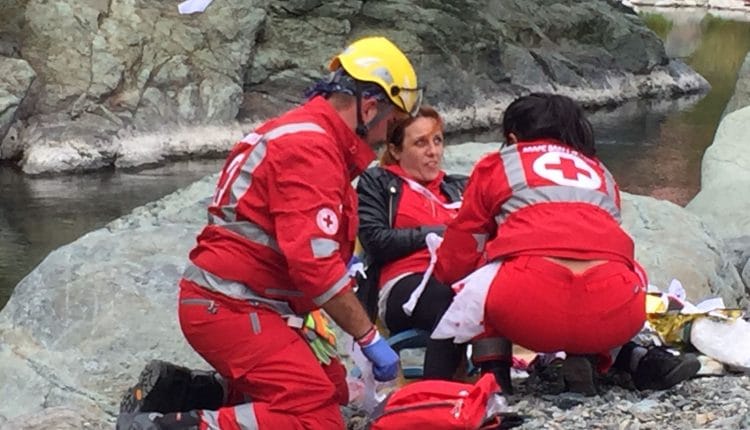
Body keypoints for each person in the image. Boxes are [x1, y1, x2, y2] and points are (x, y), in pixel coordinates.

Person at [117, 36, 423, 430]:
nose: (386, 139)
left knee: (335, 392)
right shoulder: (312, 150)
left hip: (247, 302)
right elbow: (315, 268)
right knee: (318, 418)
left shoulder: (308, 136)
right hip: (234, 305)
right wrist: (367, 336)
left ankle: (194, 392)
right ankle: (172, 426)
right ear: (369, 106)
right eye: (392, 124)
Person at [431, 93, 698, 395]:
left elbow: (463, 248)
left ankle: (494, 373)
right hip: (615, 313)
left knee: (488, 263)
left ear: (513, 136)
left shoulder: (499, 165)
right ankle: (602, 357)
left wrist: (441, 283)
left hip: (528, 308)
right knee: (617, 263)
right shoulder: (601, 174)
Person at [356, 105, 470, 380]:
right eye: (421, 143)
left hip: (461, 275)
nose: (433, 152)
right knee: (451, 299)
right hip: (405, 283)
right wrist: (436, 232)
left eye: (438, 140)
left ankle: (499, 383)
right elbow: (375, 240)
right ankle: (437, 393)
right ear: (396, 151)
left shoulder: (460, 186)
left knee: (497, 287)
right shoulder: (379, 181)